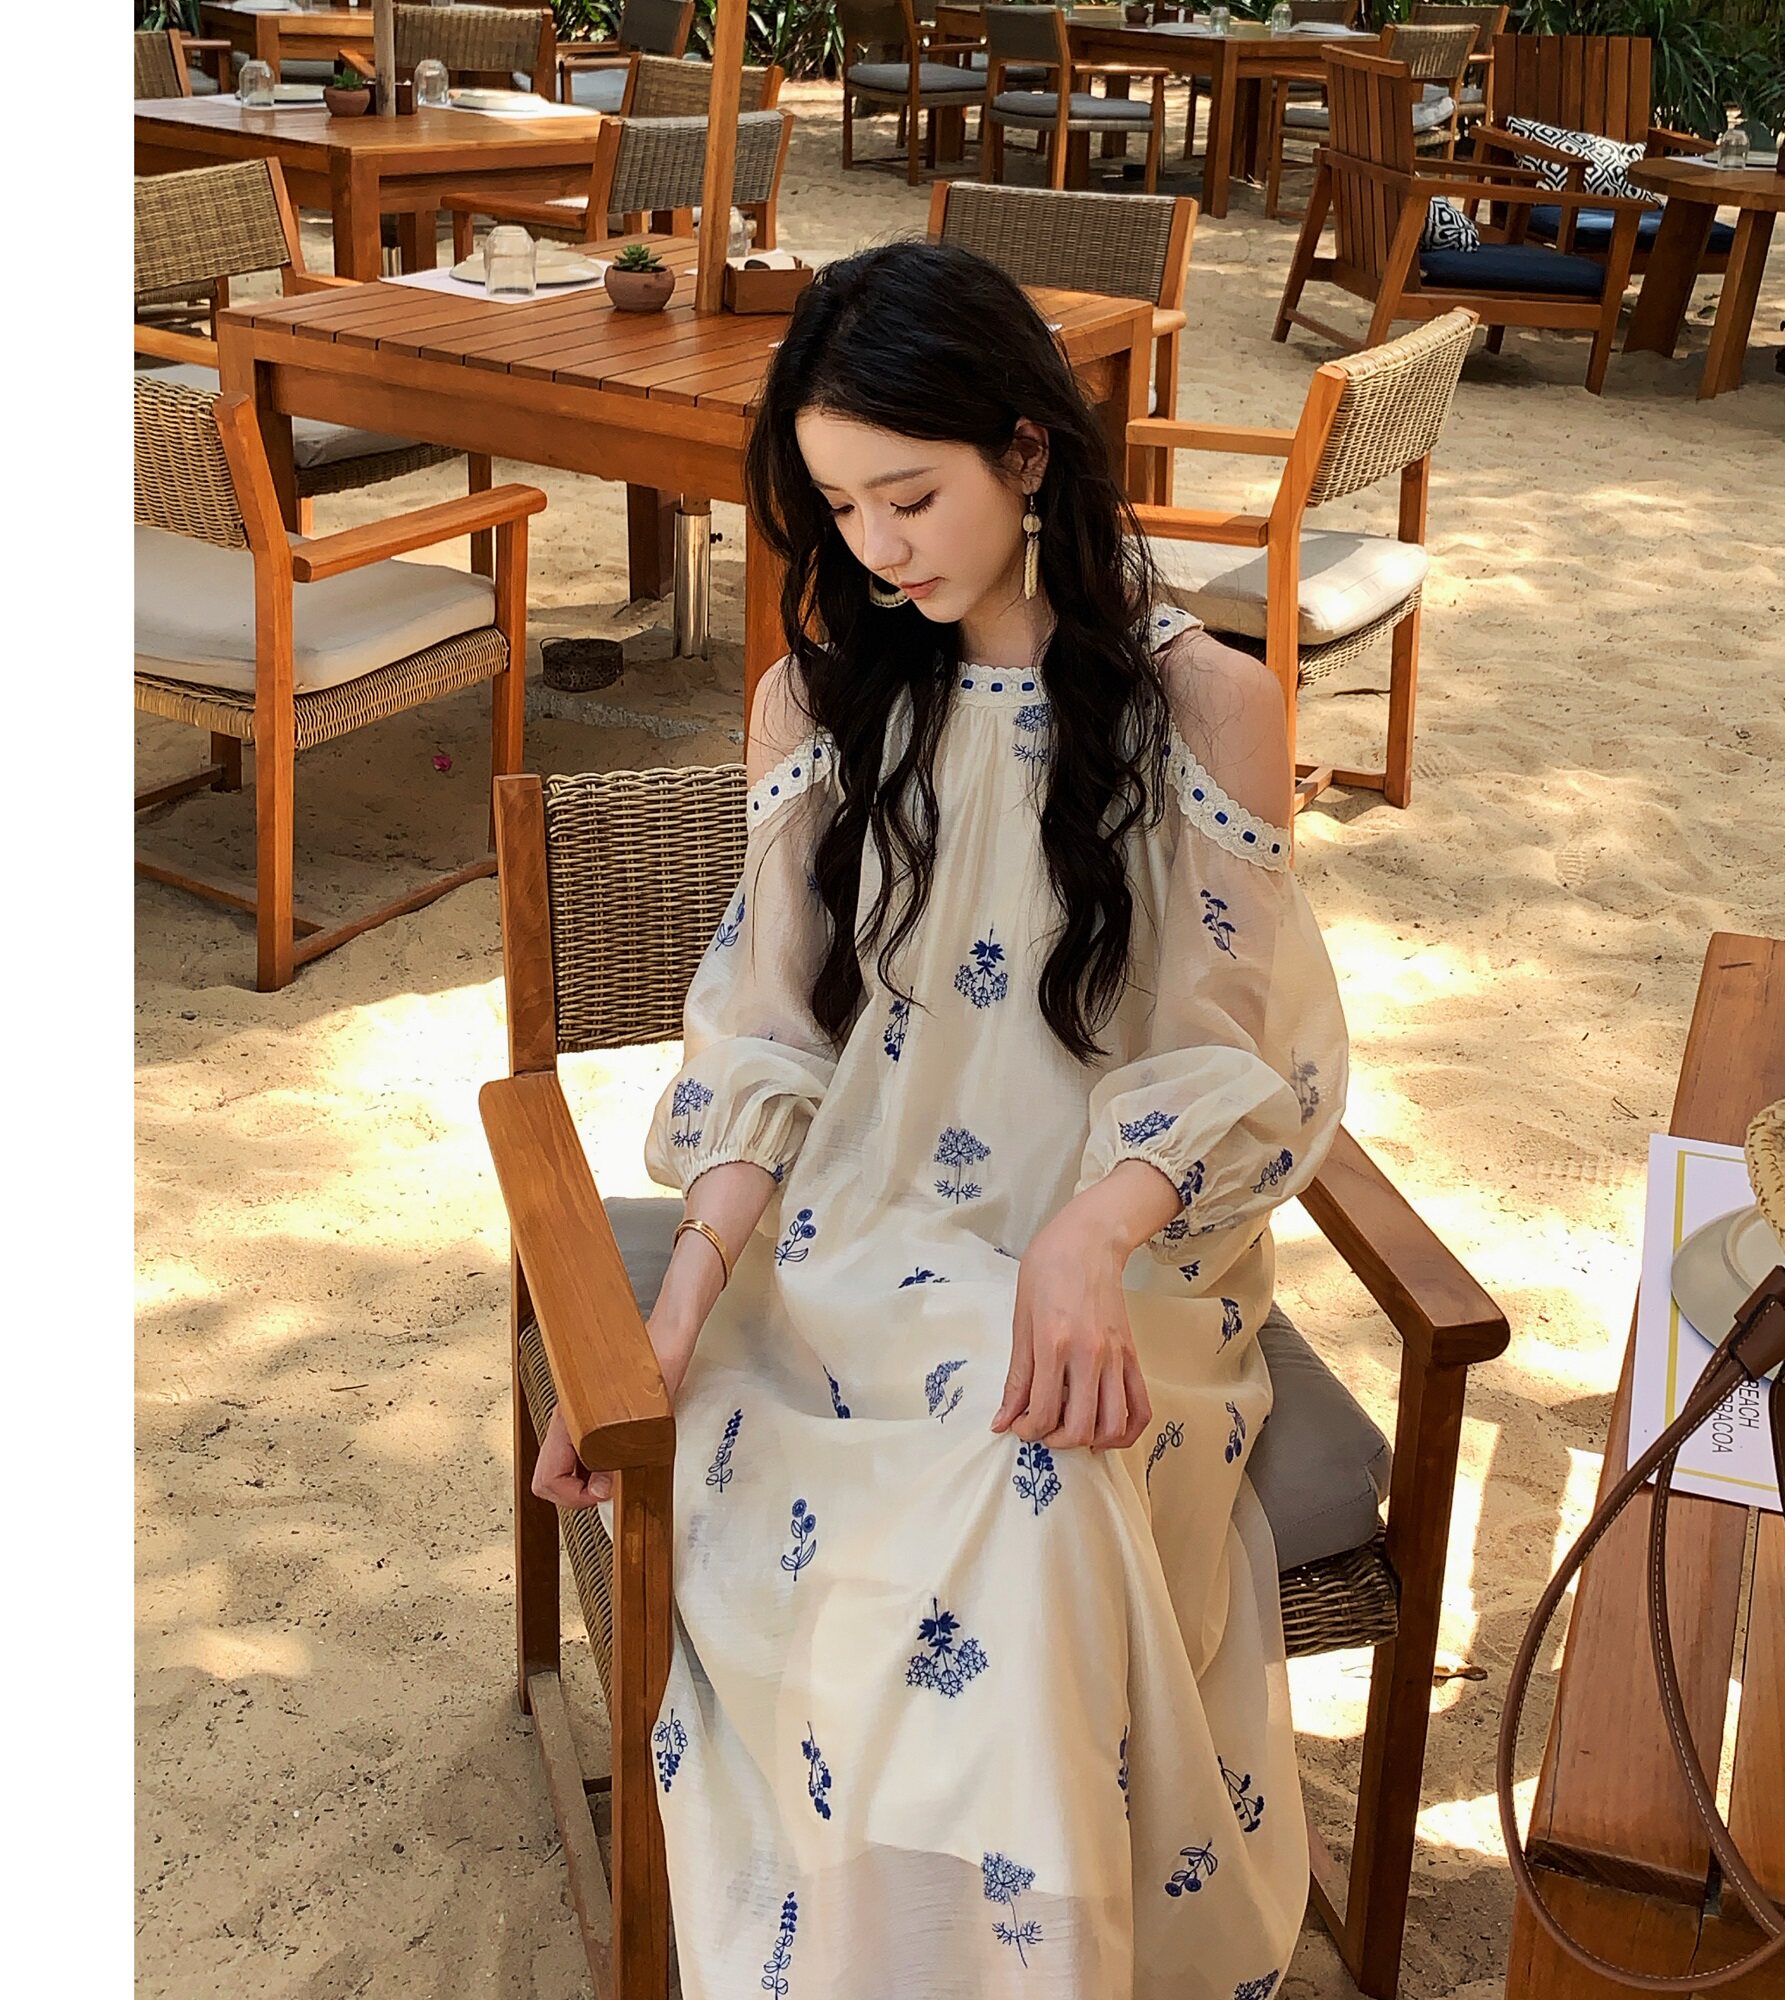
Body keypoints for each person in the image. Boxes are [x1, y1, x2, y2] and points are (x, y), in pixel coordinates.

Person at [532, 241, 1351, 1999]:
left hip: (1136, 1261)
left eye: (910, 497)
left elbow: (1226, 1052)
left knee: (1035, 1476)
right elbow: (771, 1038)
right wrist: (681, 1300)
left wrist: (1086, 1235)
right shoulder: (816, 703)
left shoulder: (1213, 708)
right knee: (990, 1500)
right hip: (850, 1258)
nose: (877, 549)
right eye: (839, 510)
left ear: (1028, 450)